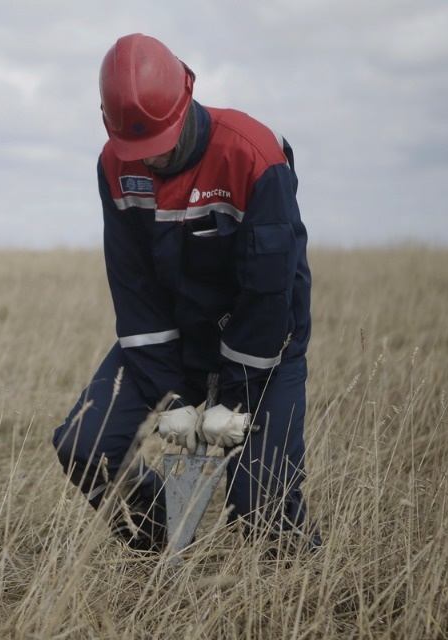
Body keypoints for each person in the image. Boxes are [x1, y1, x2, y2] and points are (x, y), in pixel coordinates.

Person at [52, 33, 319, 552]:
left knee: (260, 509)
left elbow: (269, 295)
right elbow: (133, 286)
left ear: (187, 98)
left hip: (262, 350)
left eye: (159, 145)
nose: (147, 161)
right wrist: (175, 393)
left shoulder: (253, 156)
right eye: (137, 151)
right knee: (82, 446)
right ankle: (166, 541)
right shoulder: (114, 165)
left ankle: (298, 585)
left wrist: (232, 400)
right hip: (171, 341)